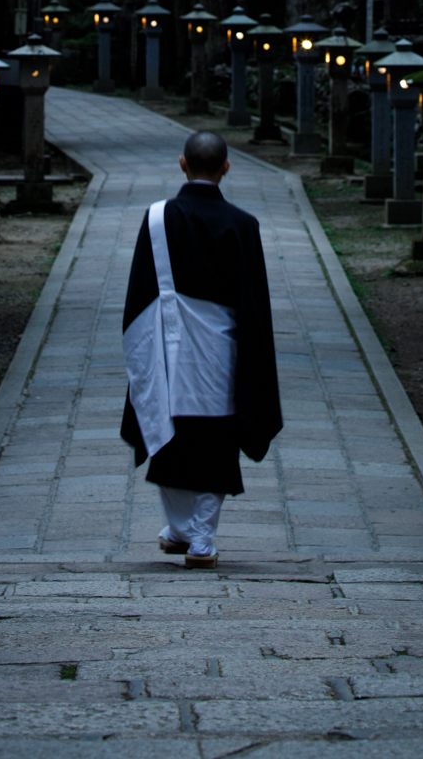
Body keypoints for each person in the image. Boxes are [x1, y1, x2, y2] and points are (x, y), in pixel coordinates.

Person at [120, 128, 282, 568]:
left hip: (169, 348)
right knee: (216, 438)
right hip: (222, 351)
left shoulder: (156, 218)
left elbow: (139, 294)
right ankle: (199, 538)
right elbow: (254, 304)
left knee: (165, 432)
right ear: (226, 168)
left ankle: (180, 528)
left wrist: (140, 353)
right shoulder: (243, 225)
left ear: (181, 163)